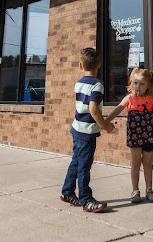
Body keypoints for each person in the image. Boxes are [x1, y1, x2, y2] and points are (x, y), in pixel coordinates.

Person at [60, 47, 115, 213]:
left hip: (76, 129)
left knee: (76, 161)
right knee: (84, 166)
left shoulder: (79, 83)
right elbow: (93, 109)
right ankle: (86, 200)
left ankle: (67, 192)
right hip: (87, 132)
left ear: (80, 66)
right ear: (98, 64)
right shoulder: (97, 85)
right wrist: (105, 125)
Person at [106, 67, 153, 203]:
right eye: (135, 83)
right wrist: (105, 121)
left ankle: (149, 189)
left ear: (148, 86)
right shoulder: (130, 98)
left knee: (147, 163)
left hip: (148, 135)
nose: (138, 86)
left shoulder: (150, 97)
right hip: (134, 135)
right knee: (135, 163)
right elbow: (117, 109)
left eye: (141, 84)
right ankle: (135, 190)